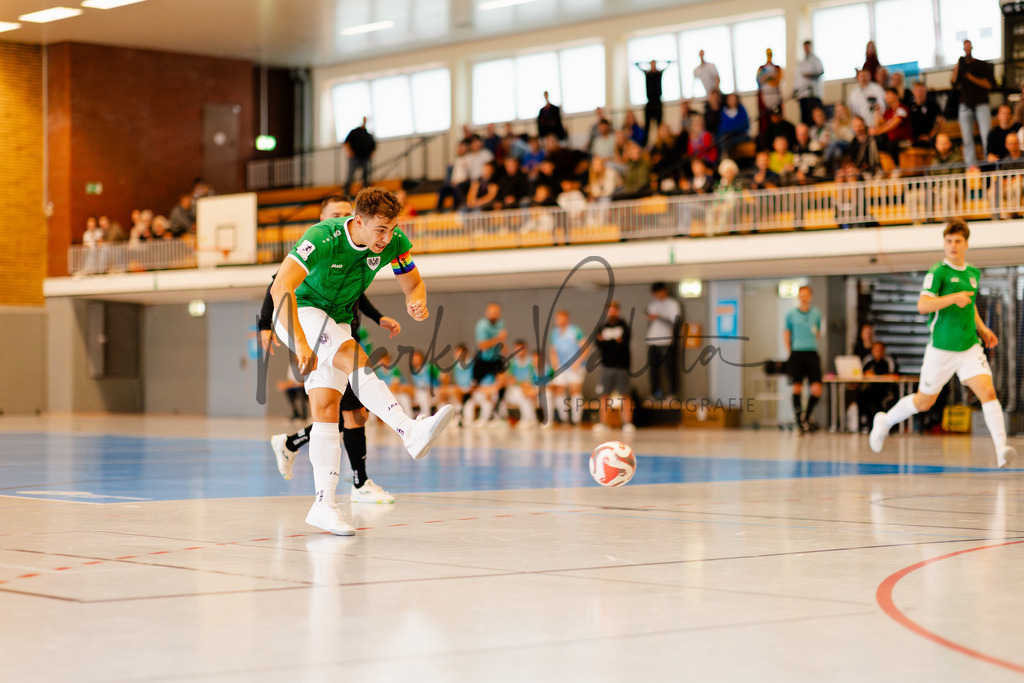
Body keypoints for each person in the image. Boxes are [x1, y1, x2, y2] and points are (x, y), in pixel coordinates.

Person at [268, 186, 456, 536]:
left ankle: (323, 505)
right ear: (358, 221)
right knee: (354, 356)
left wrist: (417, 301)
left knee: (326, 410)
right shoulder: (323, 237)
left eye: (391, 228)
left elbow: (414, 283)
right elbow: (281, 289)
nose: (387, 237)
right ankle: (408, 430)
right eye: (380, 230)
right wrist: (298, 341)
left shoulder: (395, 243)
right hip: (300, 311)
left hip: (337, 317)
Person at [262, 195, 402, 506]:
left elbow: (358, 296)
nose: (343, 219)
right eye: (336, 215)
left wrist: (379, 318)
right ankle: (360, 481)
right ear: (325, 219)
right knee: (351, 413)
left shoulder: (359, 252)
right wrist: (265, 325)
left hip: (342, 331)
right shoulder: (317, 245)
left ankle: (292, 444)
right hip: (311, 331)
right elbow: (277, 286)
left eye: (345, 213)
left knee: (343, 412)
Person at [869, 219, 1016, 469]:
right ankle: (884, 421)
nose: (953, 246)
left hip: (969, 346)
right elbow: (922, 305)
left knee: (988, 392)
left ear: (966, 243)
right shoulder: (937, 272)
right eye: (948, 241)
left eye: (958, 241)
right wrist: (952, 298)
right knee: (923, 402)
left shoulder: (973, 273)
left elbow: (968, 306)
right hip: (941, 349)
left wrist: (982, 328)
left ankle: (1001, 449)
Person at [784, 285, 823, 433]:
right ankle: (799, 419)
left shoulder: (816, 313)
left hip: (811, 352)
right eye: (802, 295)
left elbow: (817, 331)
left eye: (807, 294)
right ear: (799, 297)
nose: (804, 297)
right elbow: (786, 333)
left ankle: (806, 417)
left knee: (816, 389)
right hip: (797, 352)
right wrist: (790, 350)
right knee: (797, 387)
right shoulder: (791, 314)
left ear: (810, 296)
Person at [952, 39, 994, 168]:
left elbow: (988, 84)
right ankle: (971, 167)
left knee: (986, 135)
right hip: (965, 104)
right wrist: (959, 66)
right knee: (967, 138)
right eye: (965, 46)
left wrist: (970, 76)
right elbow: (953, 81)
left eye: (968, 45)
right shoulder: (960, 64)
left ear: (972, 46)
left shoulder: (982, 65)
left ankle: (989, 163)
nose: (967, 48)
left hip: (981, 103)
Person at [594, 300, 634, 433]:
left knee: (625, 395)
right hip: (606, 366)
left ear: (618, 311)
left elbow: (623, 344)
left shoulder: (623, 326)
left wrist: (606, 342)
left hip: (621, 366)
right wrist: (613, 341)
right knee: (604, 395)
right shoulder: (602, 327)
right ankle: (603, 423)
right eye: (609, 310)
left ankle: (627, 423)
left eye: (613, 309)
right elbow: (598, 344)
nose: (611, 312)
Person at [548, 309, 588, 426]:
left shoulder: (575, 331)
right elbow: (553, 351)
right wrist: (555, 366)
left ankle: (576, 420)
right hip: (561, 366)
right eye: (558, 318)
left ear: (567, 319)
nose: (560, 320)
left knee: (575, 391)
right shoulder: (554, 333)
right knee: (559, 390)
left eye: (562, 318)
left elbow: (585, 347)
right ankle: (564, 418)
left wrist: (578, 361)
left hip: (575, 366)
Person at [646, 282, 680, 399]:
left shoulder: (672, 304)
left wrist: (658, 317)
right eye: (656, 293)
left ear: (665, 291)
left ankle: (672, 393)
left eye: (660, 292)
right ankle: (655, 393)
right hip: (652, 340)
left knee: (669, 369)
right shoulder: (652, 305)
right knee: (653, 370)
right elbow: (650, 324)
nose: (658, 295)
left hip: (666, 340)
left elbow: (675, 321)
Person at [857, 341, 899, 433]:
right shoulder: (868, 360)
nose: (878, 352)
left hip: (885, 390)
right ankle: (866, 425)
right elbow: (861, 373)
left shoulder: (888, 361)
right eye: (876, 350)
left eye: (880, 350)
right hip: (871, 389)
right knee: (862, 397)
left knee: (880, 401)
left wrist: (878, 375)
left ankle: (885, 427)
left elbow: (894, 375)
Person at [505, 340, 539, 430]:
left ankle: (528, 420)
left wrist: (527, 387)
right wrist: (522, 384)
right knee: (522, 394)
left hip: (529, 388)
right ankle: (530, 419)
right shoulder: (512, 363)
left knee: (525, 395)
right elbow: (510, 379)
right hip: (515, 390)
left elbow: (532, 378)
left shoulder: (531, 362)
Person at [636, 59, 670, 142]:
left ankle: (661, 141)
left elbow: (668, 65)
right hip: (650, 102)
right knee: (647, 126)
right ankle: (645, 142)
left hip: (658, 102)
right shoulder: (648, 74)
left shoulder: (659, 74)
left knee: (659, 124)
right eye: (651, 64)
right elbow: (637, 64)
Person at [344, 116, 376, 195]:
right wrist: (349, 152)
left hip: (365, 158)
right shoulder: (354, 132)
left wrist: (371, 155)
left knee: (366, 176)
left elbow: (373, 146)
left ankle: (365, 192)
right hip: (355, 157)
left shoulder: (368, 135)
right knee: (350, 175)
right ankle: (346, 192)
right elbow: (346, 142)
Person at [794, 40, 824, 126]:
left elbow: (820, 71)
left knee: (814, 117)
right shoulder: (801, 63)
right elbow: (797, 78)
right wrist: (796, 91)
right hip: (803, 94)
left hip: (813, 94)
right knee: (804, 118)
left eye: (808, 46)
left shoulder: (816, 60)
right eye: (805, 47)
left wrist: (810, 75)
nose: (806, 49)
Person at [909, 81, 944, 149]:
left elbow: (940, 122)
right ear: (913, 92)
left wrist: (929, 136)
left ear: (926, 92)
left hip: (930, 138)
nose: (920, 94)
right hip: (913, 139)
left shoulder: (933, 106)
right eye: (917, 91)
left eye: (922, 91)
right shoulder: (909, 106)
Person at [755, 49, 782, 136]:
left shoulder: (777, 68)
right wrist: (767, 77)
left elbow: (778, 80)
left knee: (775, 114)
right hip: (765, 94)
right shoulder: (762, 68)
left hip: (774, 94)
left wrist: (768, 79)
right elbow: (759, 80)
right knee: (765, 118)